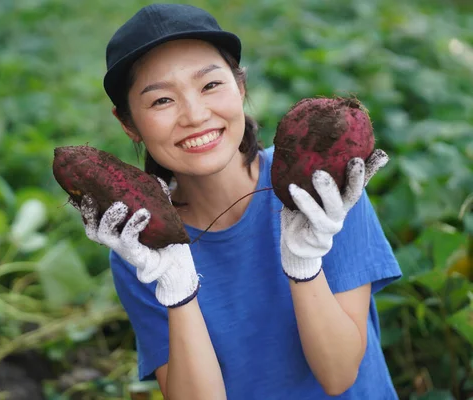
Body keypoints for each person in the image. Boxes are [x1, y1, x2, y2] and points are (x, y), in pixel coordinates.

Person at [72, 3, 403, 399]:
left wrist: (304, 263)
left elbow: (339, 375)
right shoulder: (140, 245)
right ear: (129, 125)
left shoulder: (323, 189)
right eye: (162, 100)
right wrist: (177, 287)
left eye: (210, 85)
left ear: (240, 87)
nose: (195, 115)